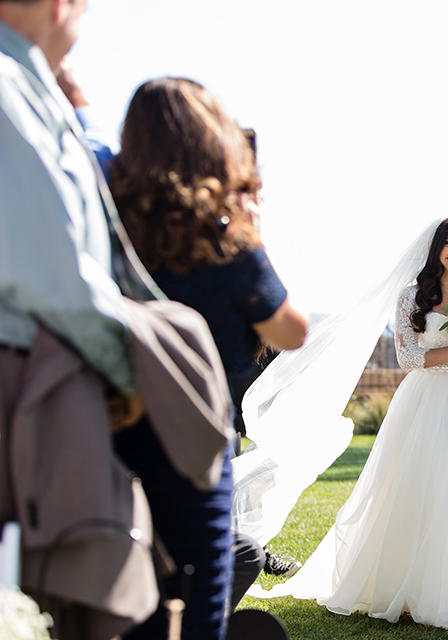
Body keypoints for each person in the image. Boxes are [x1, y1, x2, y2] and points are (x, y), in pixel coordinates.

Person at [251, 216, 448, 633]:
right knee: (421, 489)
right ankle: (409, 586)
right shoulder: (412, 295)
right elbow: (408, 358)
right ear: (435, 248)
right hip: (427, 399)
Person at [108, 76, 309, 636]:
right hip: (194, 445)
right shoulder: (221, 238)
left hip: (112, 436)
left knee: (126, 599)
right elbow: (291, 330)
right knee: (196, 606)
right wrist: (251, 229)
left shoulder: (110, 227)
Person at [0, 1, 161, 637]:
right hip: (27, 383)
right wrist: (137, 375)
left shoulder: (26, 84)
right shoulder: (9, 92)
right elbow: (62, 278)